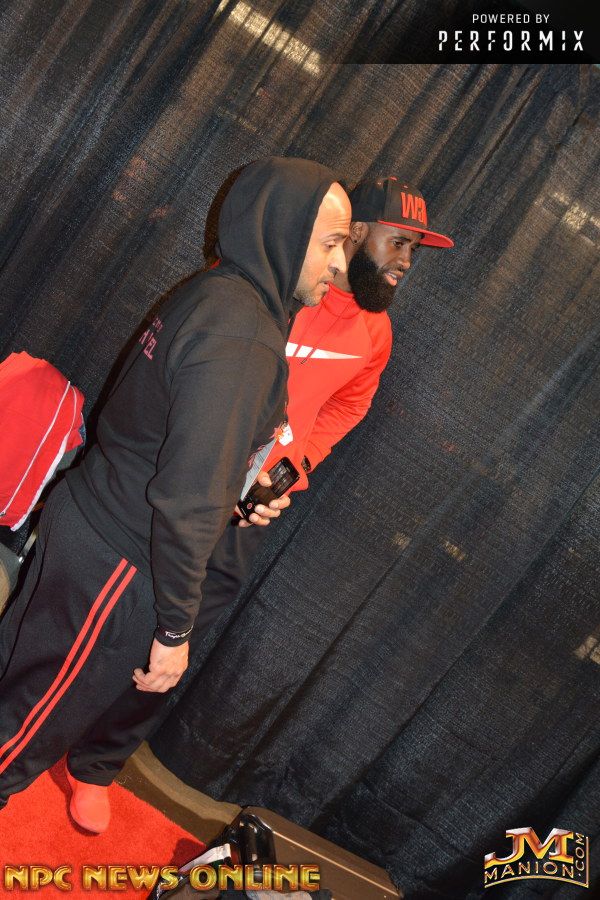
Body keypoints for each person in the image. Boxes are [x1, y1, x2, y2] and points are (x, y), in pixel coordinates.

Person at [0, 156, 352, 831]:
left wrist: (241, 493)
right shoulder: (243, 333)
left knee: (16, 681)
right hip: (118, 563)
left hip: (91, 523)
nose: (340, 266)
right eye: (331, 243)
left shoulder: (218, 293)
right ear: (283, 230)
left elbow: (172, 440)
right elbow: (188, 498)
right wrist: (174, 629)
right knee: (26, 726)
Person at [157, 176, 455, 681]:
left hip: (251, 510)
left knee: (181, 647)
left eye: (414, 249)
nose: (407, 260)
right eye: (399, 242)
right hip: (189, 480)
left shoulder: (376, 333)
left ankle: (115, 732)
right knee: (137, 613)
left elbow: (349, 406)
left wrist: (296, 463)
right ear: (356, 231)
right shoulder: (276, 284)